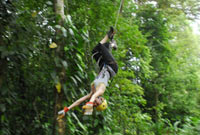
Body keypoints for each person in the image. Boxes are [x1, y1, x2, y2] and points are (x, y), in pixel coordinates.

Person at [58, 27, 118, 118]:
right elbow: (94, 97)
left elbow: (80, 100)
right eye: (97, 104)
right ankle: (111, 39)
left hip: (104, 66)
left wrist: (67, 109)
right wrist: (89, 106)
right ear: (101, 99)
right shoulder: (100, 91)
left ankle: (111, 42)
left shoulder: (92, 92)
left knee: (95, 51)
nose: (95, 104)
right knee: (101, 47)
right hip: (112, 66)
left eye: (95, 105)